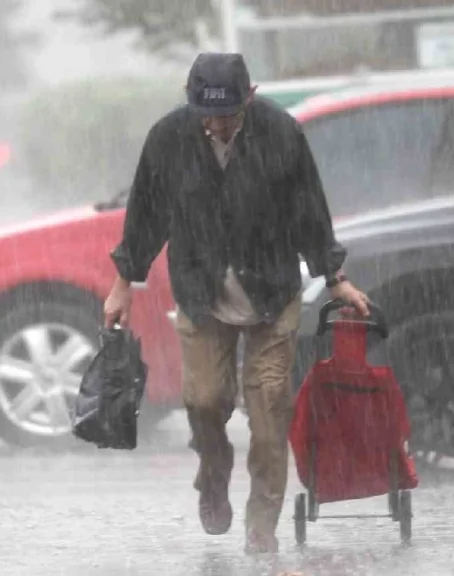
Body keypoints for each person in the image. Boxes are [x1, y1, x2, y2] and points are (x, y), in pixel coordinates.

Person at [103, 53, 370, 554]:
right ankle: (213, 473)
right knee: (204, 401)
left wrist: (335, 277)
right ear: (192, 102)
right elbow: (145, 215)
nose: (218, 125)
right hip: (201, 294)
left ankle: (261, 528)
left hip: (271, 291)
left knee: (269, 407)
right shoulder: (168, 139)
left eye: (228, 115)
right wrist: (124, 283)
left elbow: (310, 210)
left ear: (250, 97)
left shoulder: (281, 134)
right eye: (208, 114)